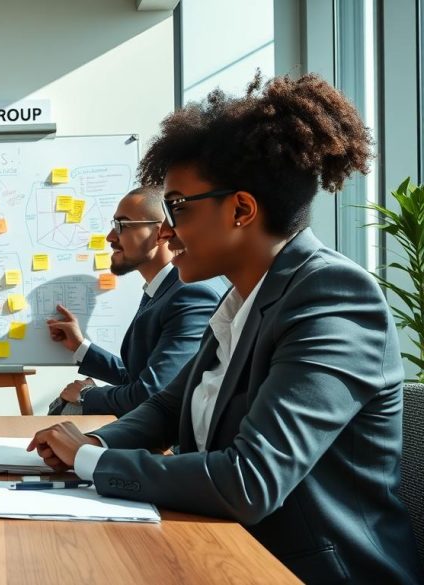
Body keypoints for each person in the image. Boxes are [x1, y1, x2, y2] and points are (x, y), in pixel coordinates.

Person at [28, 73, 423, 583]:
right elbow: (170, 407)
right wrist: (96, 447)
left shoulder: (332, 299)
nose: (166, 231)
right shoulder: (243, 296)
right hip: (227, 549)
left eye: (177, 207)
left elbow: (251, 479)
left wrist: (90, 463)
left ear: (241, 209)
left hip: (309, 570)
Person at [46, 186, 225, 416]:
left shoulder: (192, 295)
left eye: (122, 225)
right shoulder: (163, 289)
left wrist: (86, 395)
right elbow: (139, 376)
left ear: (161, 233)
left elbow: (151, 392)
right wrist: (81, 347)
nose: (110, 237)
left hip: (175, 443)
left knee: (67, 412)